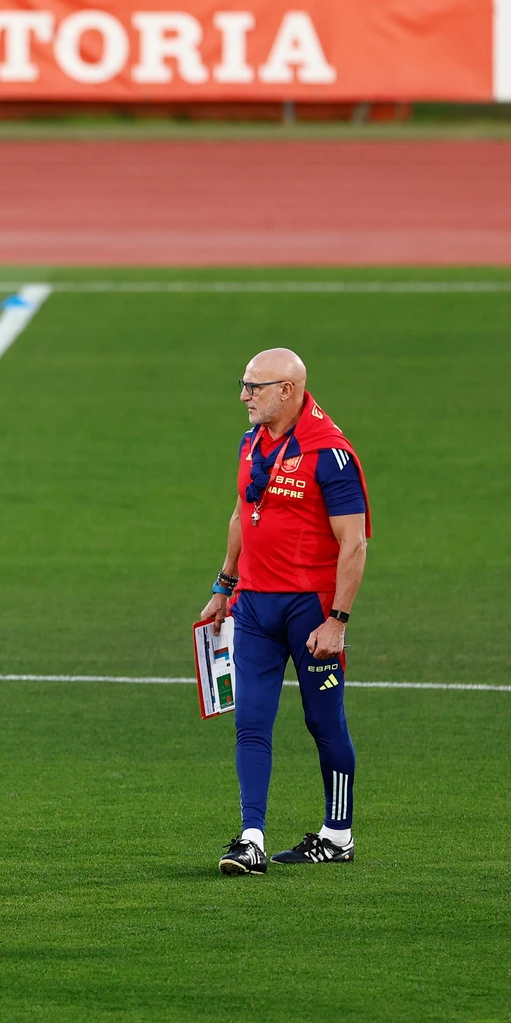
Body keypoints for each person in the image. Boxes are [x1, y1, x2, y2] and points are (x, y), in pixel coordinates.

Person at [200, 349, 371, 875]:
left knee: (324, 722)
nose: (244, 396)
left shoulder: (330, 454)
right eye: (244, 385)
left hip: (311, 612)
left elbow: (355, 543)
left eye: (255, 387)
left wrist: (337, 622)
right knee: (251, 723)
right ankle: (251, 839)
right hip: (254, 606)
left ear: (288, 390)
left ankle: (337, 835)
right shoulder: (251, 443)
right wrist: (224, 585)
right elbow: (241, 514)